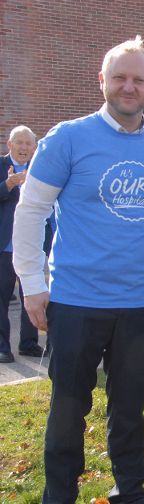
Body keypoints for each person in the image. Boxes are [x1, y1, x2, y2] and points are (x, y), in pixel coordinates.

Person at [12, 36, 144, 504]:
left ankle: (131, 492)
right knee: (68, 411)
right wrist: (31, 284)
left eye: (138, 80)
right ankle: (59, 495)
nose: (129, 87)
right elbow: (30, 212)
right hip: (75, 303)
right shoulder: (68, 138)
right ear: (102, 81)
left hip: (140, 305)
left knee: (130, 410)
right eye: (120, 78)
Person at [0, 126, 46, 363]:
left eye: (29, 144)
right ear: (10, 145)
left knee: (33, 293)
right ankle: (2, 348)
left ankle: (29, 344)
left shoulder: (39, 169)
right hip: (4, 249)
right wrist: (7, 185)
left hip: (30, 247)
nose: (24, 148)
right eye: (20, 143)